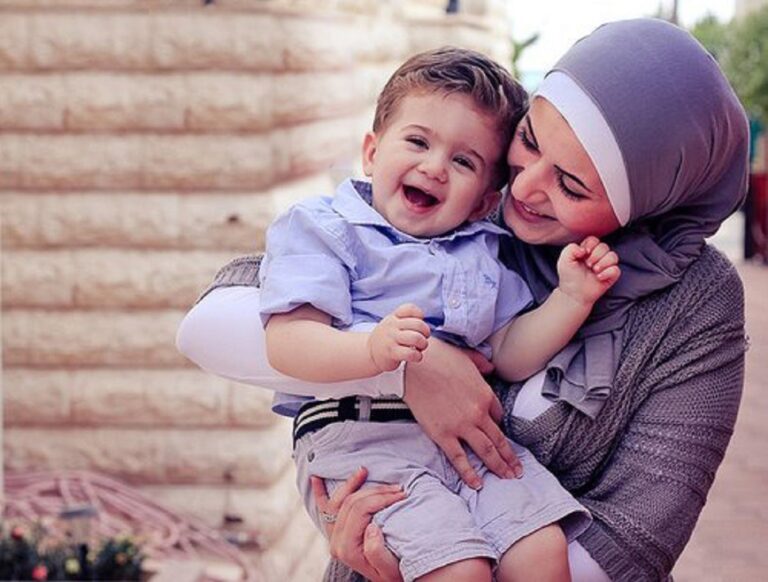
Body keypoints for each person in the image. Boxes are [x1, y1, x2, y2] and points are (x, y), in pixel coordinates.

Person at [177, 18, 749, 582]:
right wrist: (407, 370)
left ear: (646, 203)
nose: (524, 188)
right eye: (530, 140)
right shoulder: (447, 209)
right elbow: (211, 326)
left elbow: (638, 536)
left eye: (571, 185)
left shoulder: (695, 302)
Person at [257, 47, 620, 582]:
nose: (434, 168)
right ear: (371, 152)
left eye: (463, 162)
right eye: (418, 142)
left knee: (543, 552)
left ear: (483, 202)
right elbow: (287, 341)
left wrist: (571, 299)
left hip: (469, 446)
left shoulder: (482, 250)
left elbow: (507, 353)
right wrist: (373, 352)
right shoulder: (326, 227)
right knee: (458, 569)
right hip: (361, 438)